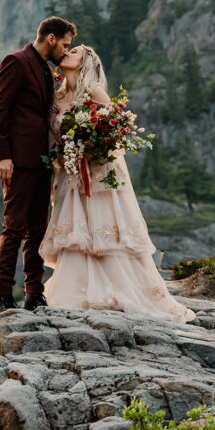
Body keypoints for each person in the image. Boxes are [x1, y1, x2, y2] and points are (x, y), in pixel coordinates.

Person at [38, 45, 196, 323]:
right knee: (76, 233)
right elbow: (52, 140)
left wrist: (93, 146)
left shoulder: (95, 92)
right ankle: (76, 290)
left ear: (86, 61)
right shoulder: (55, 98)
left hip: (98, 175)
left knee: (101, 232)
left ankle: (118, 289)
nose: (66, 53)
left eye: (74, 51)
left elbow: (114, 135)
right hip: (70, 176)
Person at [0, 16, 76, 315]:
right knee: (13, 227)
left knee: (37, 230)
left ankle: (34, 294)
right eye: (64, 44)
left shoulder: (47, 70)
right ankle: (2, 297)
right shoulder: (15, 61)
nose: (66, 51)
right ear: (50, 38)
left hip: (42, 161)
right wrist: (2, 155)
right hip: (17, 161)